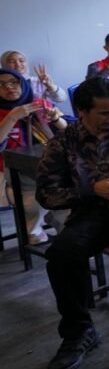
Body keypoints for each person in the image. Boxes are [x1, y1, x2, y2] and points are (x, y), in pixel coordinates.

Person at [36, 77, 109, 369]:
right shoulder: (62, 143)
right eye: (105, 113)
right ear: (82, 111)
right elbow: (46, 194)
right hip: (91, 213)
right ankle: (78, 333)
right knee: (61, 254)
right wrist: (91, 190)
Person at [0, 68, 67, 243]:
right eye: (1, 84)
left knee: (66, 197)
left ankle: (66, 230)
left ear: (22, 84)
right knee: (33, 201)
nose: (9, 87)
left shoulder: (39, 103)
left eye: (13, 82)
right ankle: (33, 230)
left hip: (50, 164)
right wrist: (12, 117)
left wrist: (55, 120)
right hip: (14, 170)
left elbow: (68, 130)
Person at [1, 50, 67, 103]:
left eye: (21, 61)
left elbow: (61, 99)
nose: (18, 64)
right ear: (4, 64)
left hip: (43, 114)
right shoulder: (3, 85)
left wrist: (50, 85)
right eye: (12, 62)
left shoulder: (38, 81)